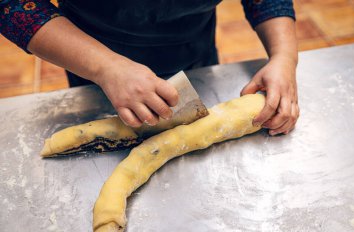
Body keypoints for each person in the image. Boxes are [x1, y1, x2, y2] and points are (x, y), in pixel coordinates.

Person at [0, 0, 299, 135]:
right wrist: (106, 67)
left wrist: (284, 57)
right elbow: (13, 5)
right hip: (91, 60)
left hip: (196, 58)